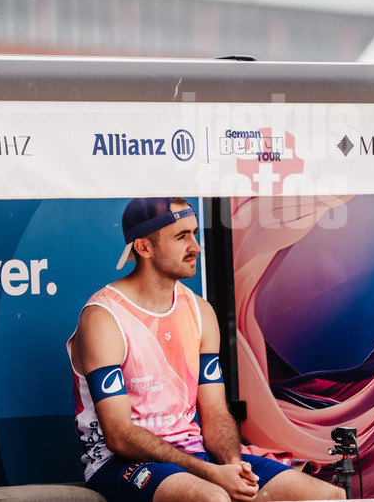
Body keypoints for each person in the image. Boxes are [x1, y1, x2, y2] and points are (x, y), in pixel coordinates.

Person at [67, 197, 345, 502]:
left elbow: (214, 412)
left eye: (195, 233)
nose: (196, 246)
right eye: (181, 236)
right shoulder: (103, 317)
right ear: (144, 247)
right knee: (212, 498)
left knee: (326, 496)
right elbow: (119, 435)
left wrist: (232, 466)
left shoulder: (200, 311)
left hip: (195, 458)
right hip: (120, 465)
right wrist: (210, 474)